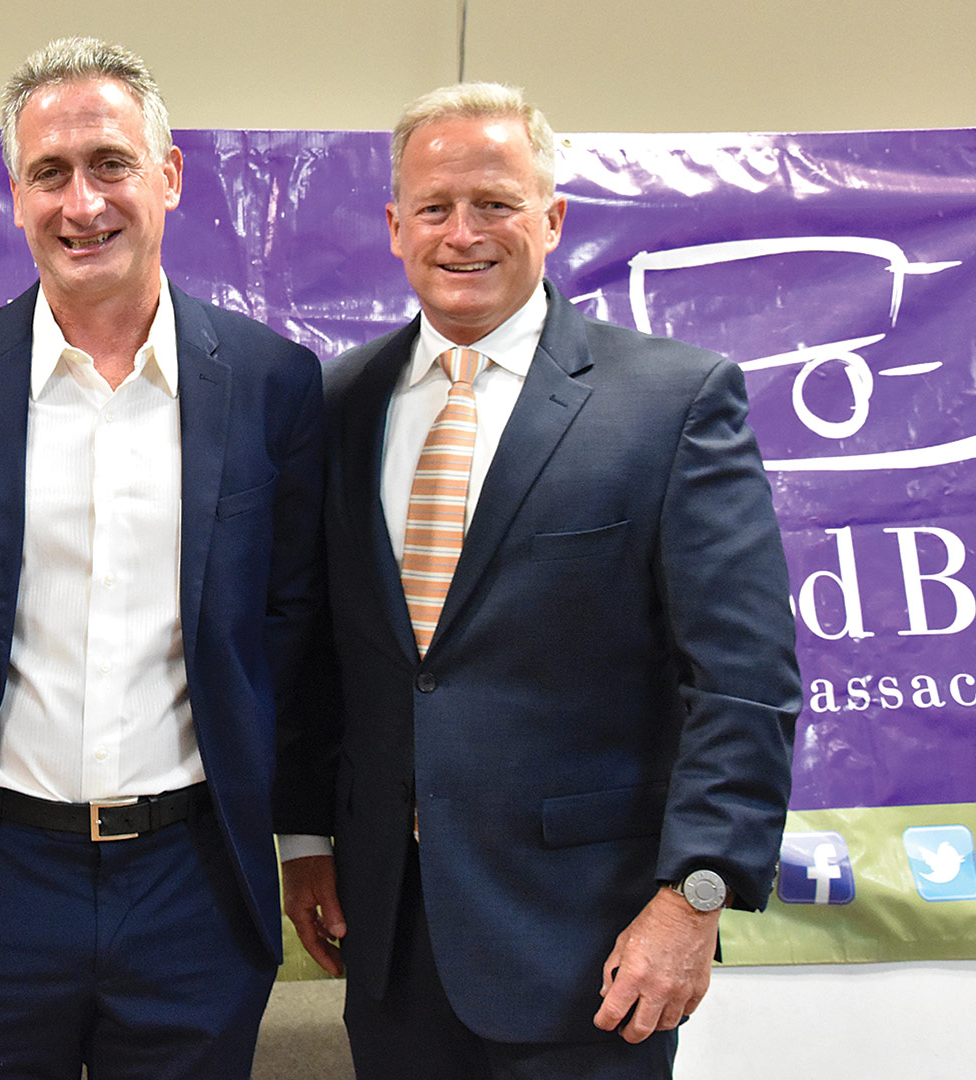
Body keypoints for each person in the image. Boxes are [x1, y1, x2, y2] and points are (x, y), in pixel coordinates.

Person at [276, 82, 800, 1078]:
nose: (462, 232)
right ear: (395, 226)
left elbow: (742, 677)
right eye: (434, 207)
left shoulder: (672, 402)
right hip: (389, 945)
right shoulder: (338, 404)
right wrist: (304, 839)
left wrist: (694, 898)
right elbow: (317, 653)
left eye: (496, 203)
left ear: (552, 220)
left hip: (590, 952)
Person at [0, 36, 324, 1080]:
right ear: (14, 195)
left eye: (110, 164)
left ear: (170, 174)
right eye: (49, 173)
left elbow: (291, 617)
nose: (82, 203)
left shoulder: (271, 382)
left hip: (195, 881)